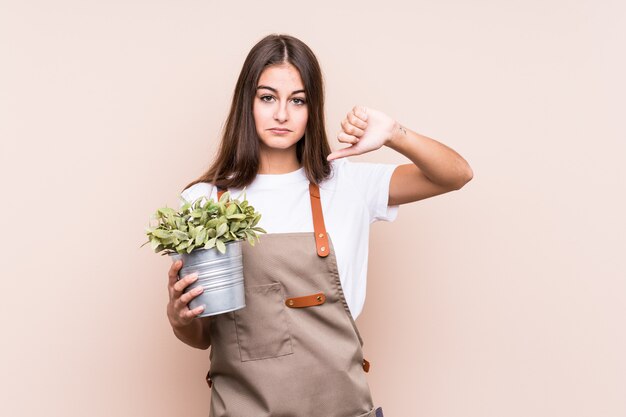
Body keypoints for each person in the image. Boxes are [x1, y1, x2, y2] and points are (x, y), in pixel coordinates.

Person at [166, 33, 473, 417]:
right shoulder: (204, 202)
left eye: (297, 100)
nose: (282, 114)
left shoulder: (347, 185)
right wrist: (179, 319)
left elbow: (456, 175)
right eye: (267, 98)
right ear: (247, 103)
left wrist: (394, 133)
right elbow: (201, 336)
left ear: (313, 109)